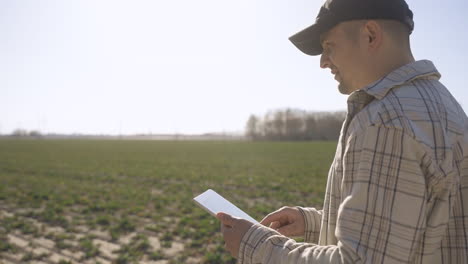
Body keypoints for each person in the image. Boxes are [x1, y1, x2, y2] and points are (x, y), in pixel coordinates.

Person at [216, 0, 468, 263]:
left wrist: (256, 245)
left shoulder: (386, 121)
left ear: (370, 35)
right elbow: (411, 224)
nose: (324, 62)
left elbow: (359, 260)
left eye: (328, 47)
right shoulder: (442, 104)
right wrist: (313, 221)